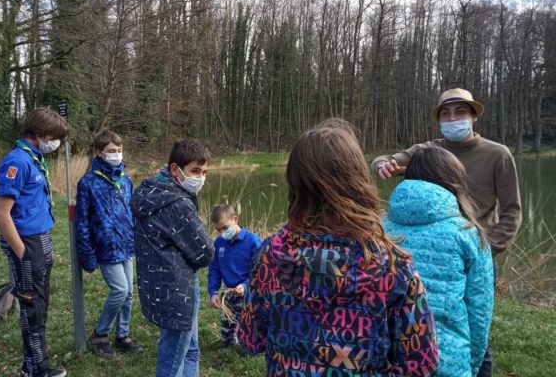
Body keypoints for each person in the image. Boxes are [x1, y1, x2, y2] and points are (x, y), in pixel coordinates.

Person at [238, 120, 439, 376]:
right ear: (357, 181)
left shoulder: (269, 255)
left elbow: (250, 339)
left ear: (294, 182)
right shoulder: (392, 266)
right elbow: (422, 364)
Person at [371, 88, 521, 376]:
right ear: (439, 118)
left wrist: (486, 251)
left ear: (473, 116)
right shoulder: (429, 150)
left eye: (460, 112)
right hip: (423, 254)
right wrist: (385, 166)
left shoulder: (498, 154)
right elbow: (384, 159)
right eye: (446, 113)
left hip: (476, 251)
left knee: (474, 326)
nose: (453, 118)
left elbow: (512, 212)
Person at [384, 146, 494, 376]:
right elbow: (479, 314)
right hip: (446, 363)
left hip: (389, 359)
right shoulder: (468, 233)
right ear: (454, 181)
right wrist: (470, 367)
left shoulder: (379, 228)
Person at [0, 107, 68, 377]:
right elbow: (1, 214)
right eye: (54, 137)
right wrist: (24, 254)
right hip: (26, 243)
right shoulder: (17, 162)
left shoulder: (34, 158)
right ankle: (34, 369)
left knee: (41, 302)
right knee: (31, 307)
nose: (56, 143)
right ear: (39, 134)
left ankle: (38, 364)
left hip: (40, 240)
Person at [130, 139, 215, 377]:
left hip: (158, 284)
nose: (200, 178)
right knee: (175, 358)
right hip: (179, 289)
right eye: (195, 171)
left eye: (205, 172)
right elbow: (205, 253)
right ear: (175, 169)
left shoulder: (150, 190)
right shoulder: (176, 203)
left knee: (188, 347)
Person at [75, 130, 141, 359]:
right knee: (120, 290)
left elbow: (132, 213)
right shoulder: (88, 183)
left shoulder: (126, 180)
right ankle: (100, 334)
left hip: (126, 244)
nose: (117, 155)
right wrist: (87, 255)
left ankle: (122, 336)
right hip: (105, 247)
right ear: (99, 153)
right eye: (112, 151)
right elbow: (81, 222)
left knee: (130, 292)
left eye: (120, 151)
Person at [208, 204, 262, 346]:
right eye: (218, 229)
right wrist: (213, 292)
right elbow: (214, 269)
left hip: (248, 291)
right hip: (228, 292)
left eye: (225, 227)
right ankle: (228, 344)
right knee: (227, 327)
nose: (222, 232)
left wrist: (245, 285)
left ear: (235, 219)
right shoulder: (219, 243)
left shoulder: (252, 241)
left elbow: (259, 270)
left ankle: (250, 345)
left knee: (248, 325)